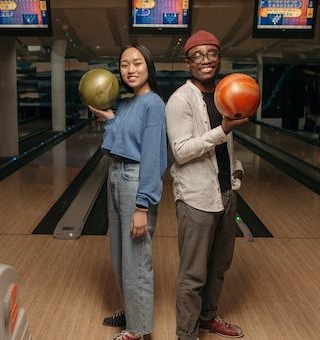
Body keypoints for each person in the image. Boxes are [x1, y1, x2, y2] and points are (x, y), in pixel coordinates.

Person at [165, 30, 248, 340]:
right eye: (197, 55)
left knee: (219, 267)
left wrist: (236, 169)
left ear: (219, 57)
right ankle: (186, 334)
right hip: (195, 198)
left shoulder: (224, 95)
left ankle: (208, 317)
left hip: (226, 193)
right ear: (189, 62)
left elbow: (225, 146)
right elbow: (182, 151)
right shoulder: (180, 100)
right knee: (193, 274)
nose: (205, 60)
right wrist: (223, 128)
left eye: (210, 54)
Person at [89, 43, 167, 340]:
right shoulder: (126, 104)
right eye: (124, 65)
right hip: (116, 175)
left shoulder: (153, 103)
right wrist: (110, 119)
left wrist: (143, 206)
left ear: (148, 66)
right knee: (120, 254)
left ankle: (137, 329)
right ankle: (131, 309)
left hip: (135, 180)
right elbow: (113, 146)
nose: (130, 69)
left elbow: (153, 157)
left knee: (136, 259)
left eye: (137, 63)